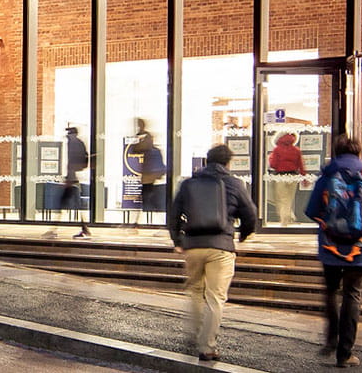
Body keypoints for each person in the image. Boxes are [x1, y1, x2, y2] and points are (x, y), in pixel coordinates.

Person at [305, 135, 362, 368]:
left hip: (330, 246)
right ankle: (345, 354)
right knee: (353, 295)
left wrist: (327, 225)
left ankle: (331, 337)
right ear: (359, 153)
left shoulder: (326, 177)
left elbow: (311, 209)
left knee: (331, 291)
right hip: (359, 248)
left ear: (335, 152)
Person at [168, 144, 258, 364]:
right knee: (215, 297)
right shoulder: (235, 184)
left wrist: (178, 241)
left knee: (196, 291)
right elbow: (250, 215)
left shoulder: (189, 184)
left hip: (193, 246)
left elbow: (173, 214)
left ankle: (196, 336)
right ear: (228, 163)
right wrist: (242, 236)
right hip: (221, 247)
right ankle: (207, 347)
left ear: (207, 161)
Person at [127, 118, 168, 222]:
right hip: (150, 178)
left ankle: (136, 223)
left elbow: (136, 149)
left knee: (150, 202)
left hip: (149, 178)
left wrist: (138, 137)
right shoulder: (148, 142)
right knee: (148, 202)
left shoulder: (146, 139)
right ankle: (136, 223)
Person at [59, 124, 92, 238]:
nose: (67, 136)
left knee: (65, 203)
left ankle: (54, 229)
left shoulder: (73, 144)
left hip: (73, 179)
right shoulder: (78, 143)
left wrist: (69, 178)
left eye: (69, 133)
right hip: (74, 178)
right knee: (72, 204)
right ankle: (84, 228)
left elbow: (72, 162)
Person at [266, 132, 305, 224]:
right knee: (289, 198)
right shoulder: (296, 150)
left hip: (281, 176)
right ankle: (289, 217)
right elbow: (301, 165)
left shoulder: (277, 150)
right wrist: (304, 177)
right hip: (293, 176)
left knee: (281, 199)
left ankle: (284, 220)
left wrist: (271, 159)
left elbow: (273, 164)